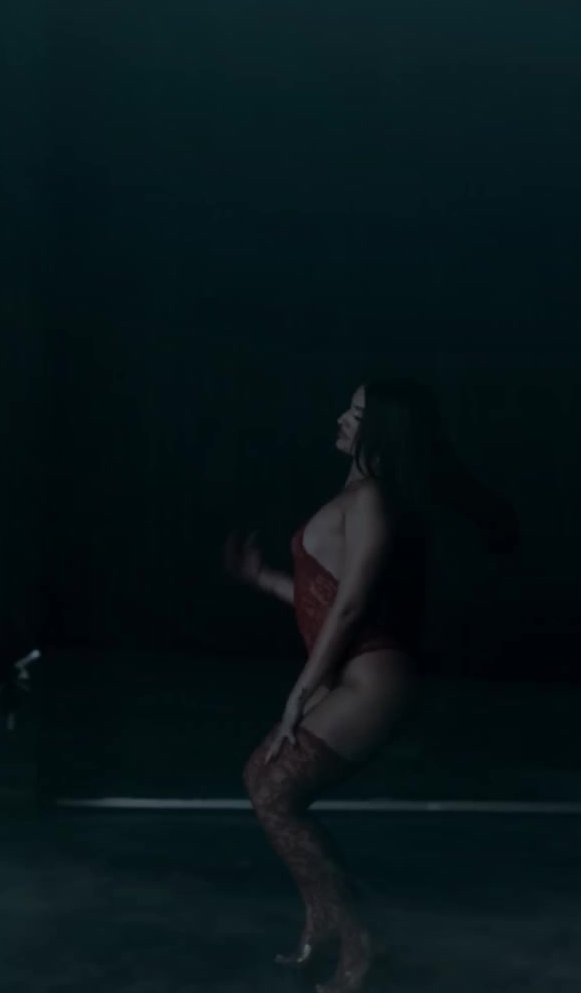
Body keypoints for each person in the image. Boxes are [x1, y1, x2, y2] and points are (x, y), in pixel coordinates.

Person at [224, 379, 516, 993]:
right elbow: (325, 599)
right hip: (348, 670)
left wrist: (300, 692)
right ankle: (323, 921)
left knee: (275, 790)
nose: (340, 418)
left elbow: (353, 606)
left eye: (355, 413)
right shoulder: (356, 495)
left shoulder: (373, 500)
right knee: (263, 780)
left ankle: (361, 939)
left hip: (372, 676)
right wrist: (264, 579)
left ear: (381, 430)